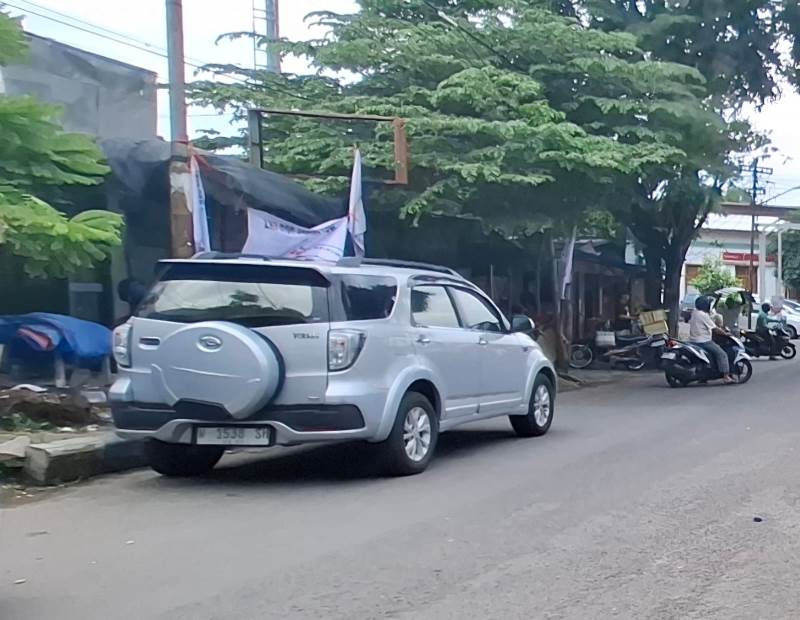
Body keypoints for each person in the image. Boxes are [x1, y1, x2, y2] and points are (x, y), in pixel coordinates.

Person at [689, 295, 735, 383]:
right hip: (704, 341)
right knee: (722, 354)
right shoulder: (703, 315)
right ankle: (726, 376)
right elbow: (715, 329)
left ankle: (704, 377)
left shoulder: (695, 312)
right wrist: (726, 334)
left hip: (693, 341)